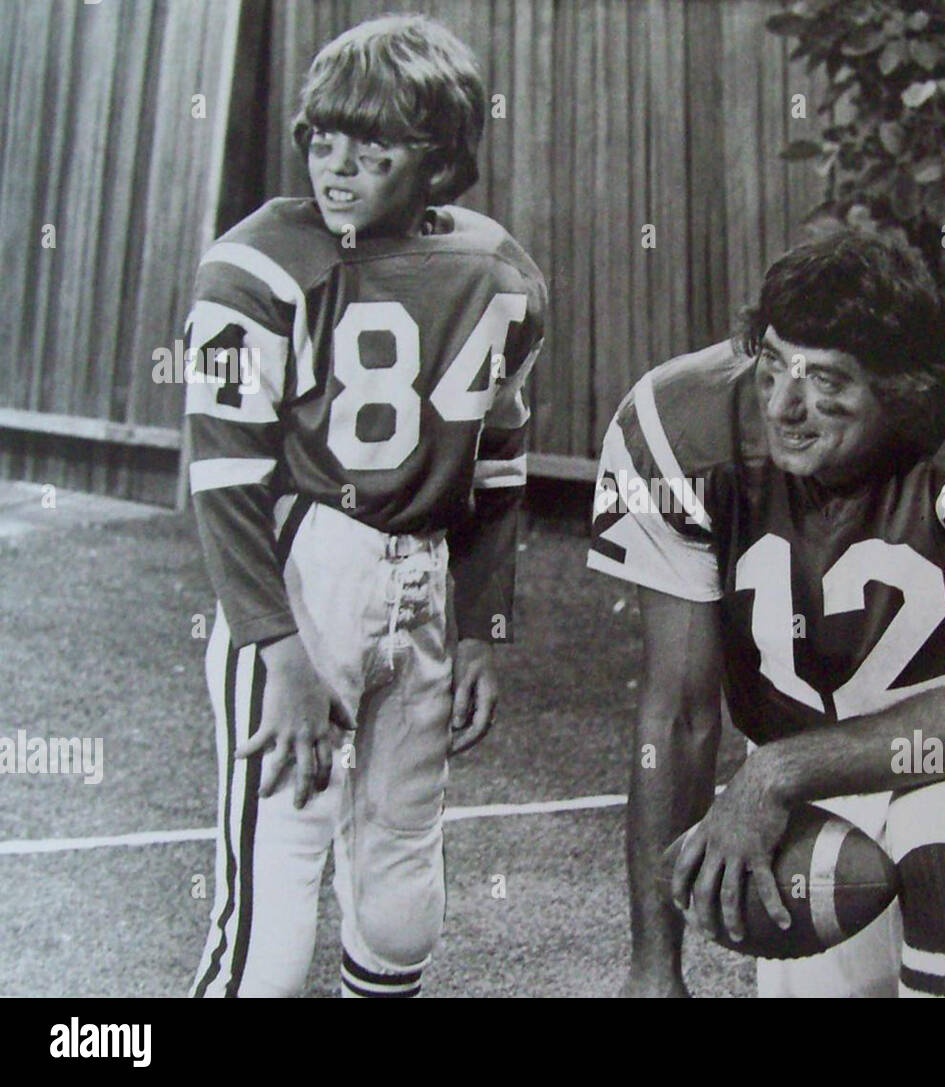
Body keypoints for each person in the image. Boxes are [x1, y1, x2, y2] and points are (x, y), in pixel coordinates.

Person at [588, 227, 945, 997]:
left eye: (828, 381)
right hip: (808, 756)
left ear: (906, 390)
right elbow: (677, 712)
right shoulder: (675, 432)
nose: (785, 406)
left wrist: (773, 772)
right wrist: (652, 969)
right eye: (771, 366)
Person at [185, 14, 546, 997]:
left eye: (372, 146)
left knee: (377, 868)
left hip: (387, 574)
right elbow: (222, 481)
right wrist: (283, 651)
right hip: (330, 575)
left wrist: (476, 627)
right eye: (321, 137)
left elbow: (496, 459)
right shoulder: (487, 264)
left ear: (438, 162)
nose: (337, 165)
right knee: (309, 862)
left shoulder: (487, 269)